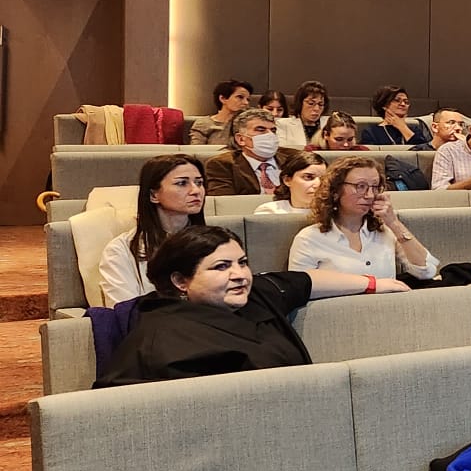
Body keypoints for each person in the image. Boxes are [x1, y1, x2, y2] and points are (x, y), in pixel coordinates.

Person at [98, 224, 408, 386]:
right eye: (221, 267)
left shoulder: (256, 293)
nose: (239, 275)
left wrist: (374, 284)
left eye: (243, 263)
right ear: (181, 281)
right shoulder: (159, 338)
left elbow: (306, 280)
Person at [288, 155, 441, 282]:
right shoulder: (309, 238)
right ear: (335, 191)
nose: (369, 195)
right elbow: (300, 290)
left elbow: (426, 271)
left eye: (374, 187)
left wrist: (394, 223)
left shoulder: (384, 232)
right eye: (360, 186)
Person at [101, 153, 210, 306]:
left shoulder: (216, 243)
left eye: (199, 183)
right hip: (158, 326)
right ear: (153, 195)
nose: (196, 191)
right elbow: (125, 312)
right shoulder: (121, 250)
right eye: (182, 183)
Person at [203, 108, 298, 198]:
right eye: (260, 130)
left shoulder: (294, 158)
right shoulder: (222, 165)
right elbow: (225, 204)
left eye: (273, 130)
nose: (270, 135)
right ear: (240, 139)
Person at [255, 152, 327, 215]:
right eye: (308, 177)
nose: (318, 184)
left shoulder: (334, 213)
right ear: (287, 180)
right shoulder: (270, 212)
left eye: (323, 178)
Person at [187, 78, 253, 146]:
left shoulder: (249, 122)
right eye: (240, 97)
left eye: (248, 99)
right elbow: (197, 151)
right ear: (223, 98)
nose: (246, 102)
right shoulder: (204, 123)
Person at [361, 86, 431, 149]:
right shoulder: (371, 132)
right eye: (397, 100)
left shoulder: (415, 130)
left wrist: (402, 127)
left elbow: (424, 150)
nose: (403, 104)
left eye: (406, 102)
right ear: (384, 105)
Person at [275, 81, 329, 150]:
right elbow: (281, 150)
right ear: (300, 103)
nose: (316, 109)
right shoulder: (283, 124)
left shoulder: (329, 124)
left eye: (321, 104)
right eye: (311, 103)